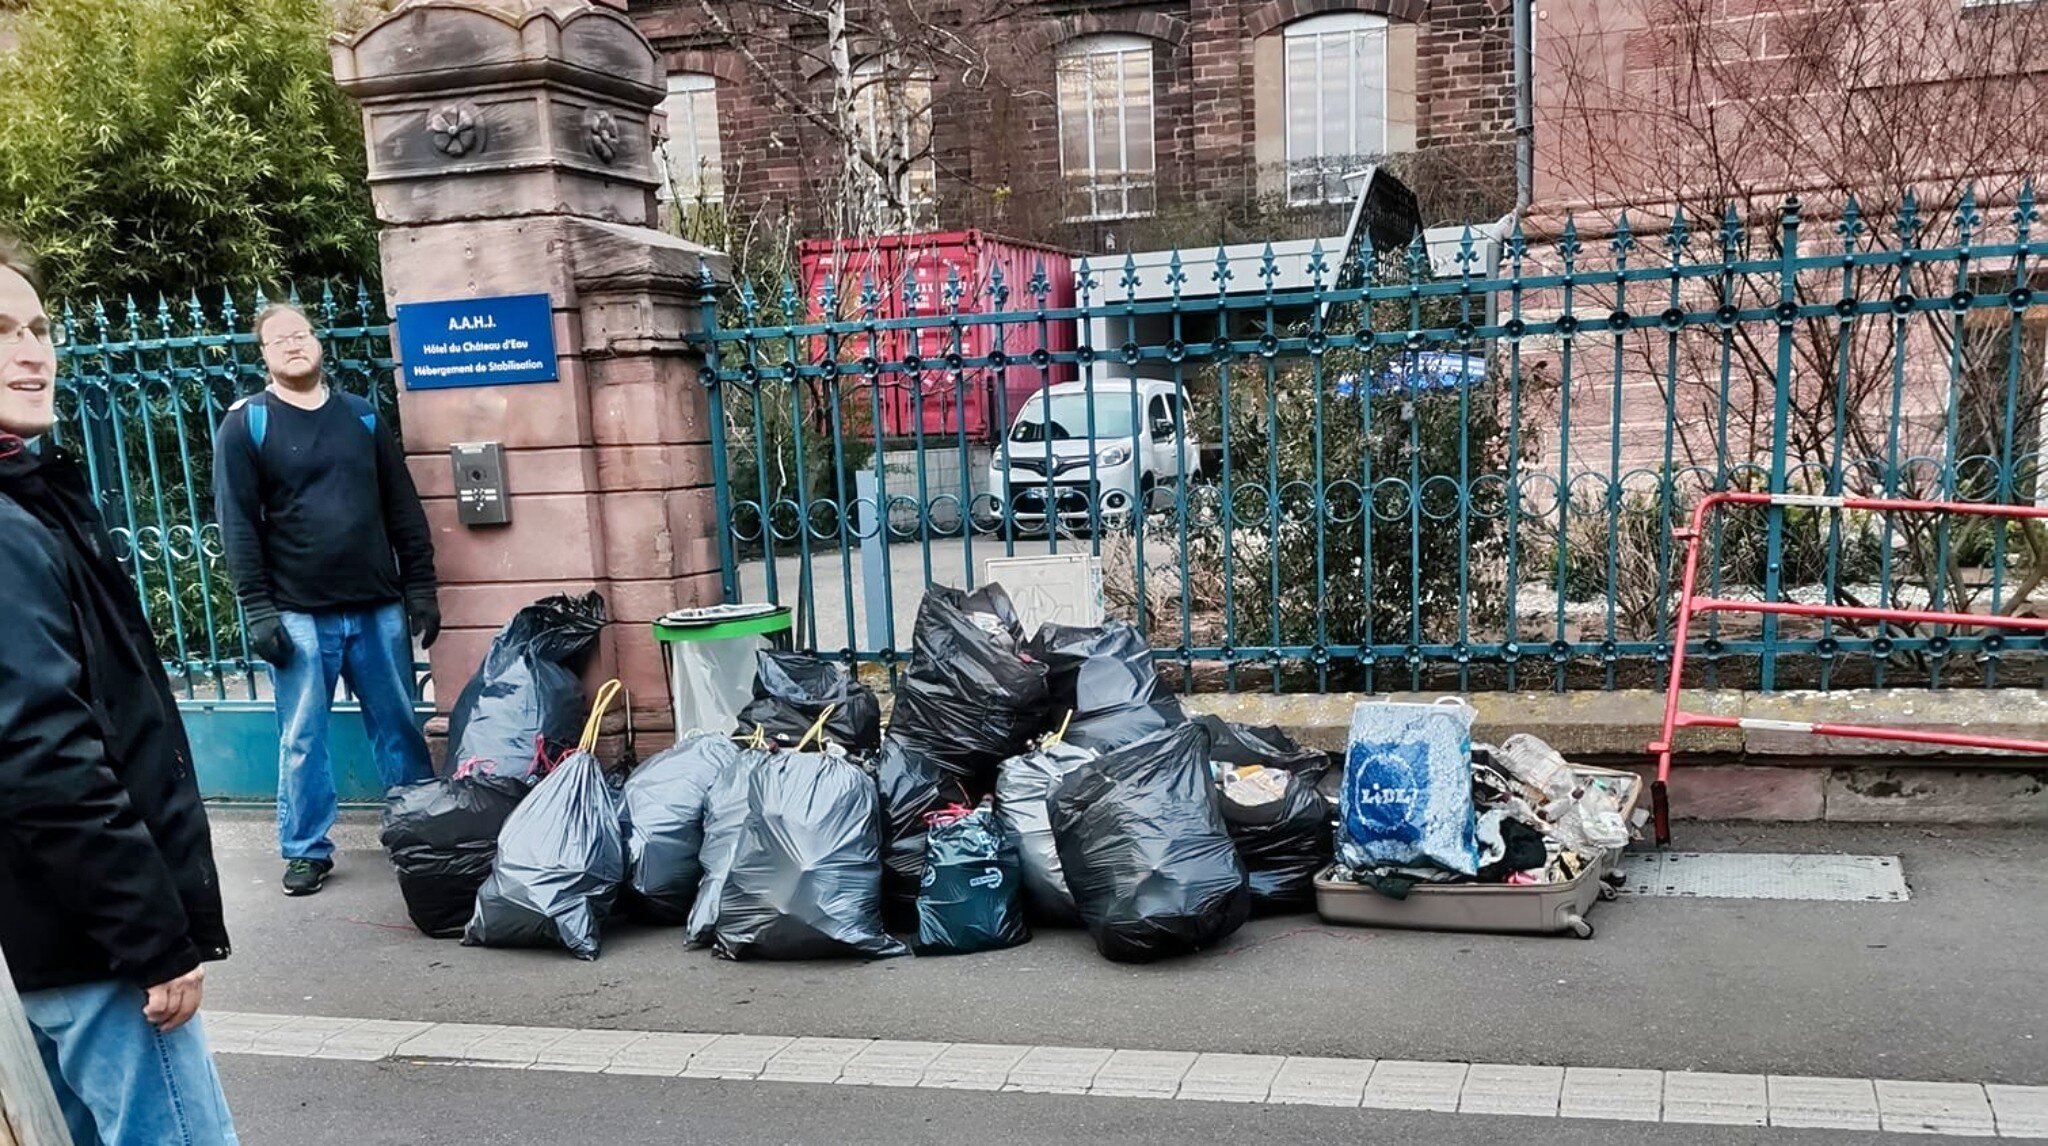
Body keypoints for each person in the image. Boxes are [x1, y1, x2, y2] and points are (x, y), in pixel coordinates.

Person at [0, 241, 240, 1142]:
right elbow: (43, 752)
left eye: (37, 328)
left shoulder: (28, 495)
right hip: (89, 948)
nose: (31, 352)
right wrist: (150, 938)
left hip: (44, 936)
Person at [213, 301, 440, 896]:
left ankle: (416, 831)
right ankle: (307, 849)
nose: (293, 344)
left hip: (376, 606)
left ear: (319, 344)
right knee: (303, 735)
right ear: (263, 356)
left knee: (398, 726)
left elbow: (403, 508)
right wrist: (258, 609)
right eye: (279, 339)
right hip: (296, 611)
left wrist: (420, 587)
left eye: (301, 334)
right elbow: (237, 524)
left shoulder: (362, 418)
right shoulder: (248, 425)